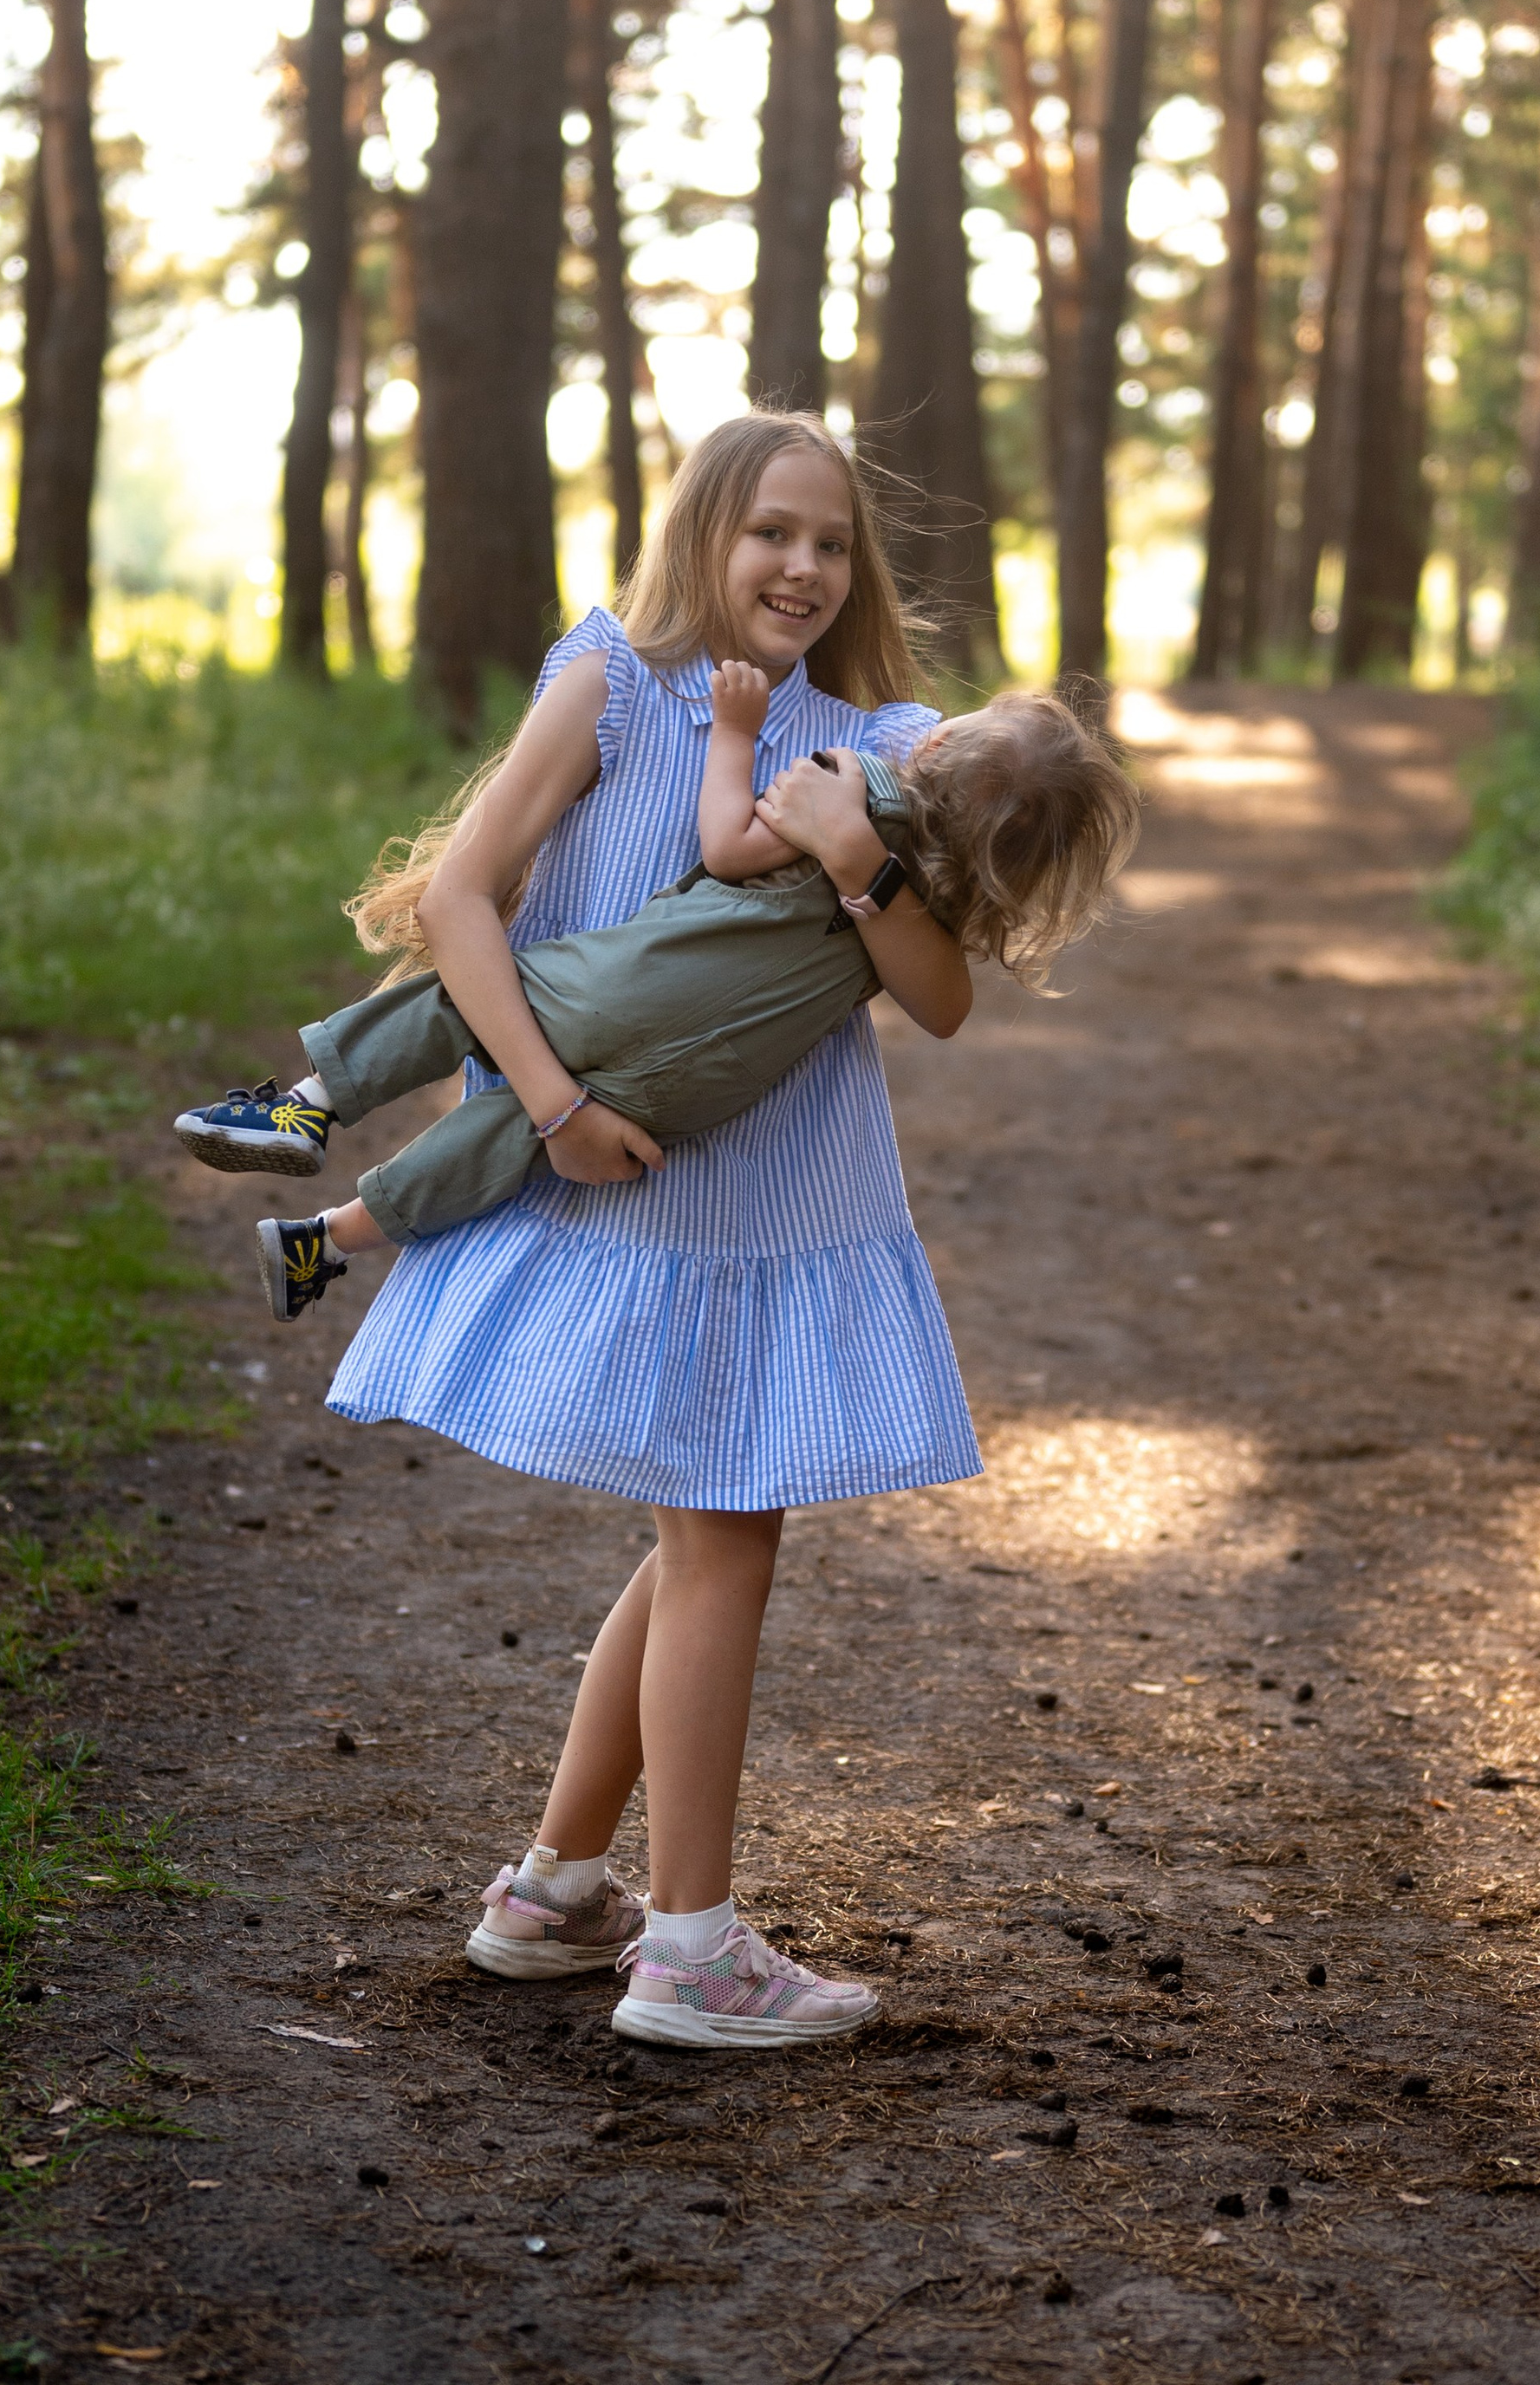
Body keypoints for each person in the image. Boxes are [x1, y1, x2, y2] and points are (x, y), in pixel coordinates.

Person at [182, 413, 1132, 2052]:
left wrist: (855, 868)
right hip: (641, 1168)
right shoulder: (615, 678)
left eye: (830, 544)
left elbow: (943, 996)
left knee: (707, 1533)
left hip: (787, 1202)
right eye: (771, 531)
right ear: (703, 531)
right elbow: (463, 903)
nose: (802, 566)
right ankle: (688, 1945)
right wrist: (552, 1105)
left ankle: (557, 1886)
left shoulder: (890, 743)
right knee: (722, 1536)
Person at [175, 675, 1135, 1309]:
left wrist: (734, 733)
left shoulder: (855, 783)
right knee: (512, 1136)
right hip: (690, 1093)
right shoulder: (937, 911)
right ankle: (326, 1239)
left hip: (617, 992)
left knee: (460, 1002)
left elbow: (726, 842)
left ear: (936, 750)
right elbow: (943, 1007)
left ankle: (308, 1105)